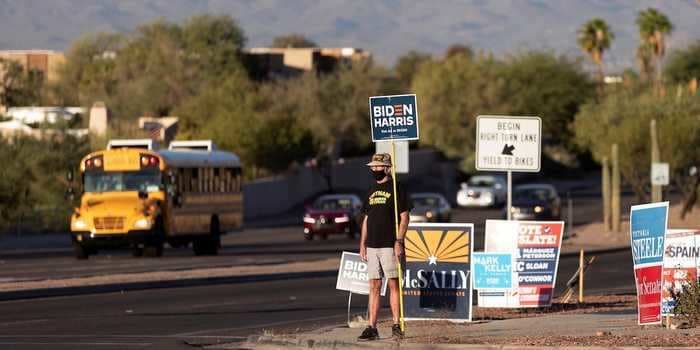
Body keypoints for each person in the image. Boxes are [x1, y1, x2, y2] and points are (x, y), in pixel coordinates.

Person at [357, 153, 411, 341]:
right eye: (372, 167)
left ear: (387, 167)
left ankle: (397, 324)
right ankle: (371, 327)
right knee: (374, 285)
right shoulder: (370, 190)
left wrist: (399, 240)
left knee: (394, 284)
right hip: (372, 245)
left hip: (390, 245)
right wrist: (362, 243)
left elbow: (404, 217)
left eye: (378, 167)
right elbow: (366, 218)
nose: (374, 170)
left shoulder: (397, 189)